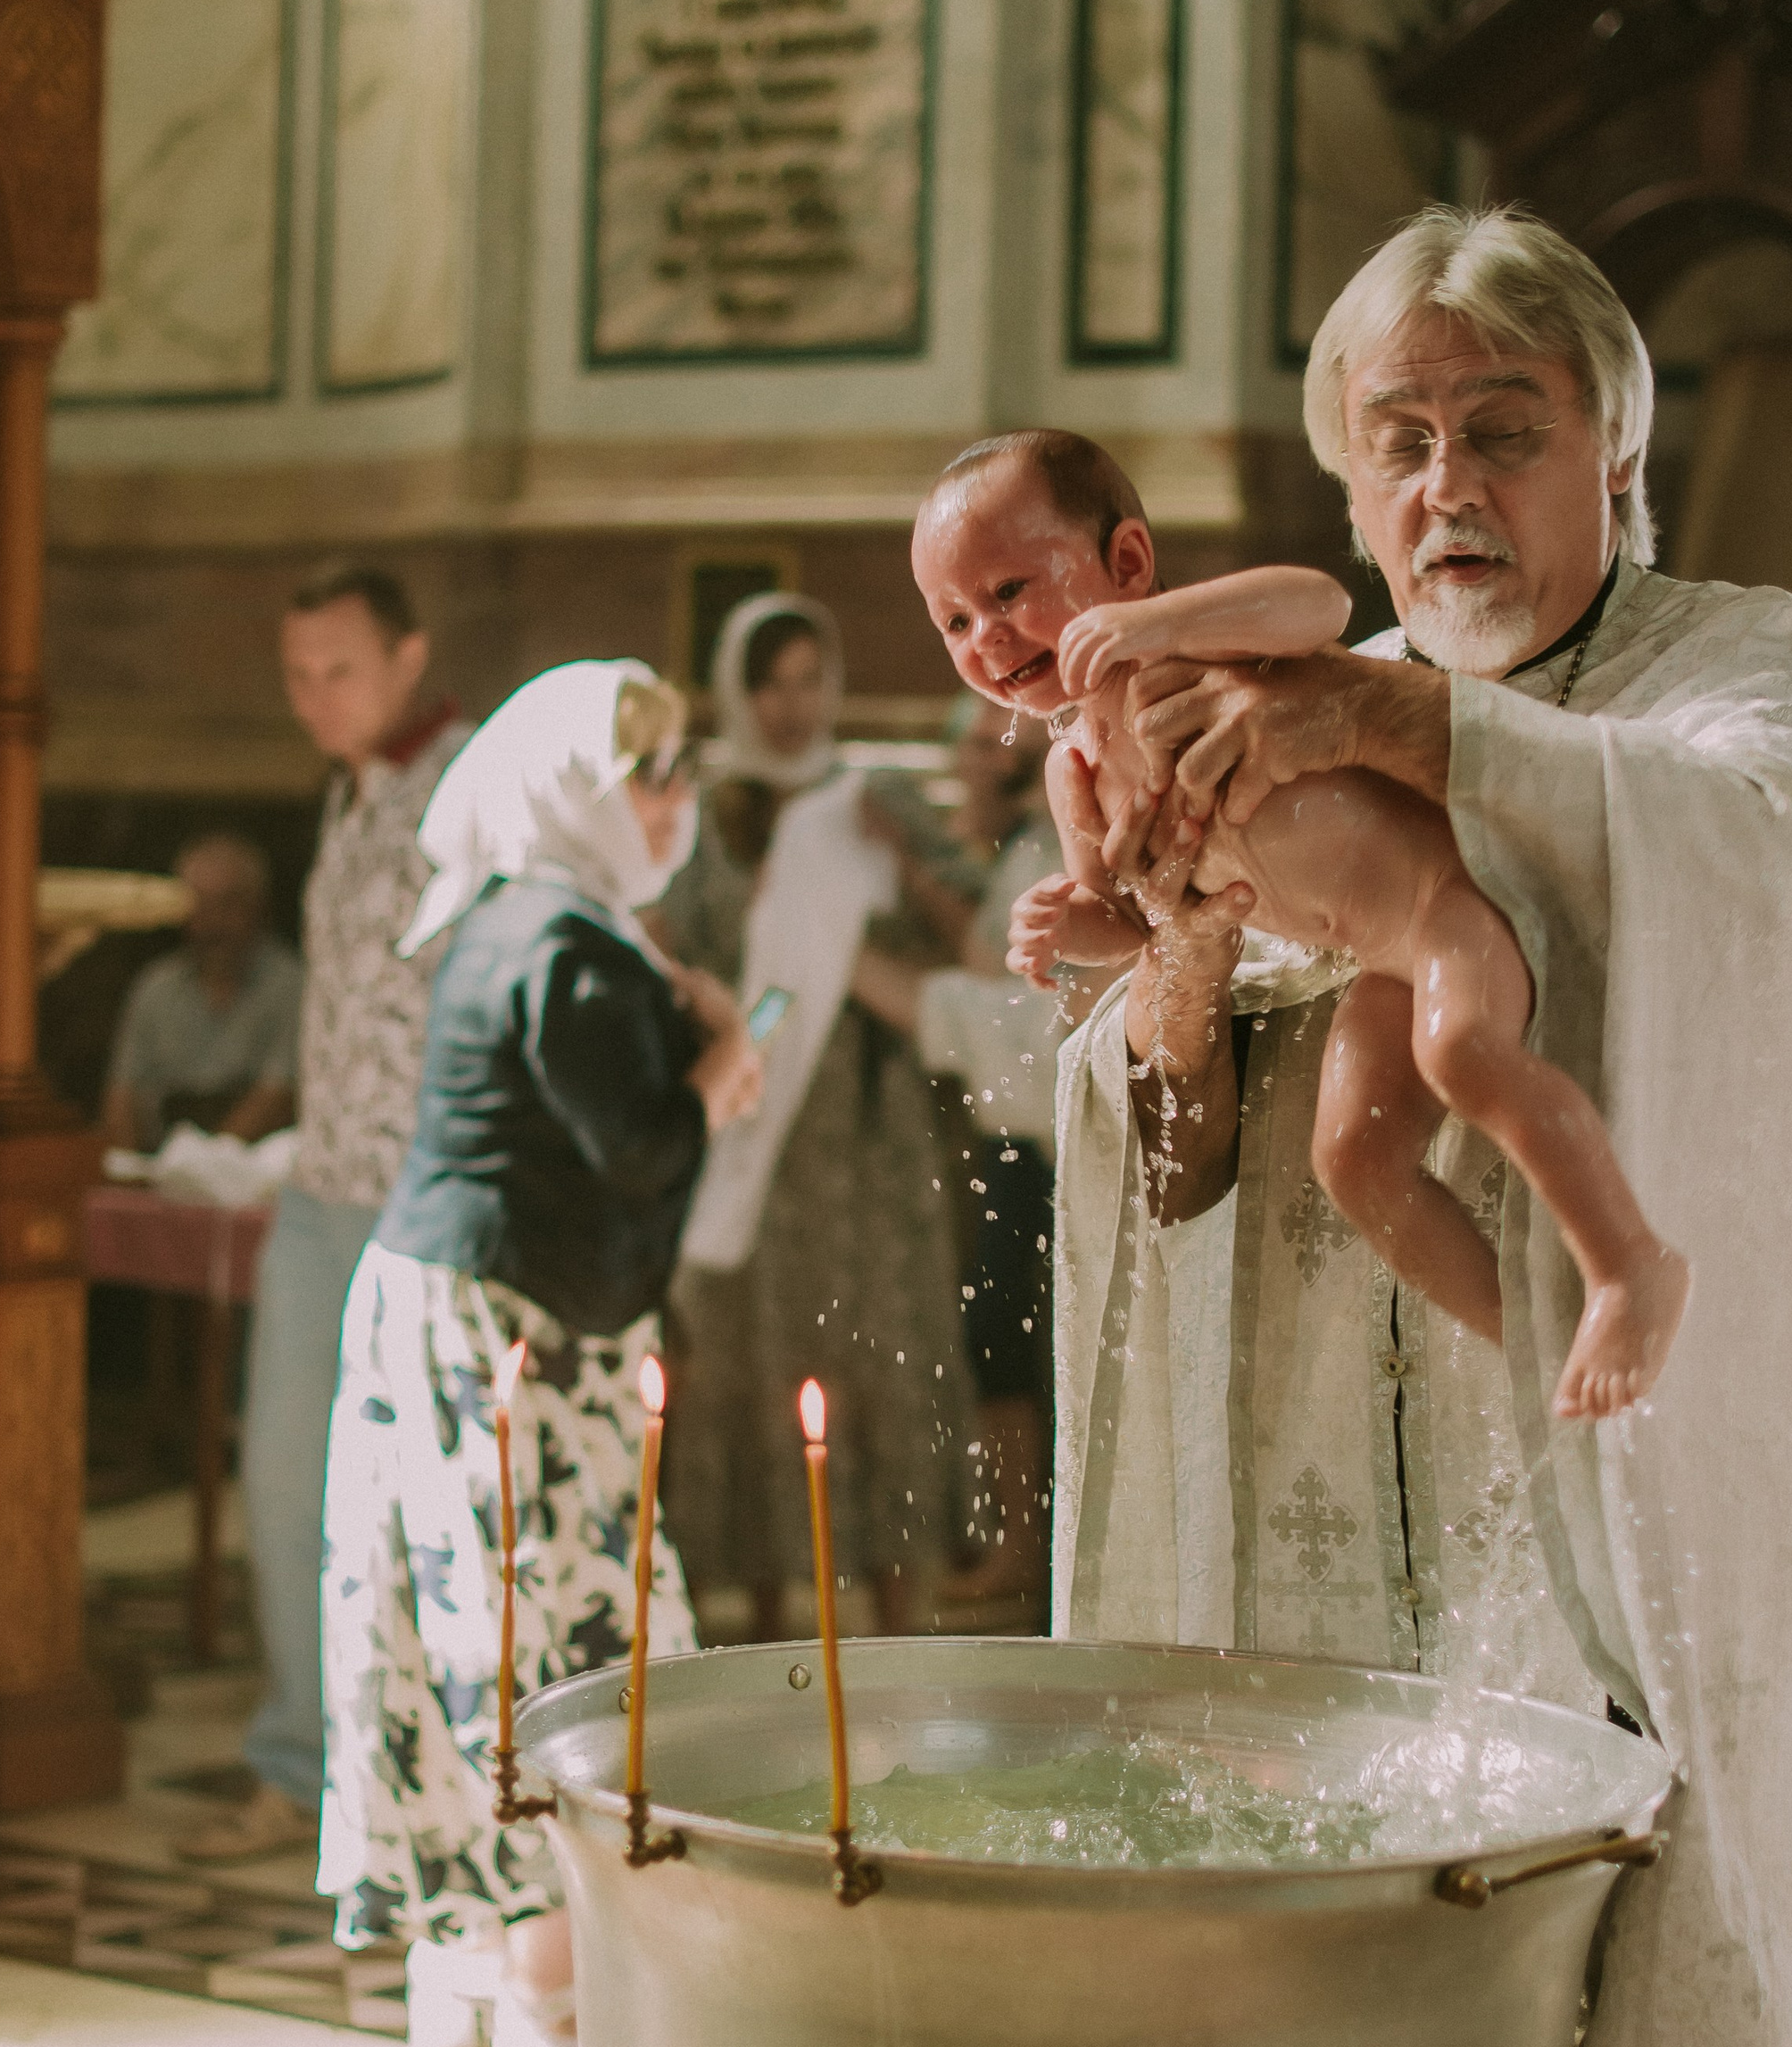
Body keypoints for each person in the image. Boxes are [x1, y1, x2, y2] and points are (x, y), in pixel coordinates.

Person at [1040, 203, 1792, 2047]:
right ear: (1349, 493)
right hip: (1397, 1608)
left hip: (1674, 1543)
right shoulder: (1271, 735)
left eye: (1501, 429)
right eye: (1400, 439)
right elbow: (1162, 1152)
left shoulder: (1750, 662)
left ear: (1613, 454)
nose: (1446, 482)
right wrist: (1175, 943)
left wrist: (1403, 721)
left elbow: (1751, 846)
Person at [913, 438, 1688, 1417]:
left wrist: (1159, 621)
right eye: (954, 620)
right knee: (1353, 1157)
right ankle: (1533, 1343)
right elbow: (1128, 917)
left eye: (1009, 590)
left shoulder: (1194, 652)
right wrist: (1064, 920)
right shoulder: (1073, 774)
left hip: (1455, 896)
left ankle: (1629, 1262)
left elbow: (1318, 605)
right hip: (1381, 959)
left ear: (1128, 561)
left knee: (1462, 1048)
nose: (987, 636)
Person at [318, 660, 759, 2047]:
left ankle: (473, 1965)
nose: (674, 802)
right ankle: (546, 1995)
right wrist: (723, 1065)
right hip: (503, 1327)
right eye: (648, 773)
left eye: (685, 771)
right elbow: (638, 1149)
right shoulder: (561, 940)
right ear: (572, 789)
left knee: (474, 1619)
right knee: (546, 1637)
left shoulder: (539, 914)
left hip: (473, 1304)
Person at [178, 563, 470, 1865]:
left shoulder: (471, 788)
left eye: (339, 670)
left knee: (430, 1503)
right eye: (296, 675)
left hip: (425, 1194)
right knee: (286, 1481)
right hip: (320, 1192)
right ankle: (300, 1765)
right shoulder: (345, 792)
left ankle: (437, 1792)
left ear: (409, 656)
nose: (315, 698)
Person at [657, 593, 968, 1639]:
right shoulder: (707, 814)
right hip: (760, 1124)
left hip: (868, 1135)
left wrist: (903, 862)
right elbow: (682, 960)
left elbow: (976, 933)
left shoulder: (874, 796)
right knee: (758, 1358)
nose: (792, 707)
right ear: (736, 693)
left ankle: (896, 1613)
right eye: (769, 686)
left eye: (808, 681)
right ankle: (760, 1617)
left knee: (879, 1353)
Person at [854, 693, 1067, 1607]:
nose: (993, 756)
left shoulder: (1056, 842)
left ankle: (1040, 1551)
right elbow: (986, 956)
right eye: (976, 744)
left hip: (1055, 1116)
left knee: (1037, 1339)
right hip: (1016, 1131)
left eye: (1004, 740)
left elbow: (1005, 993)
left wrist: (848, 962)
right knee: (999, 1333)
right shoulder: (1022, 845)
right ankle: (1021, 1545)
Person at [101, 833, 301, 1151]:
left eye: (228, 903)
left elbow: (280, 1095)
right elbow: (123, 1096)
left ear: (259, 906)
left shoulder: (292, 986)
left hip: (254, 1168)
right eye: (200, 904)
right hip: (163, 1166)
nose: (214, 921)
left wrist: (204, 1162)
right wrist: (129, 1167)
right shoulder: (156, 988)